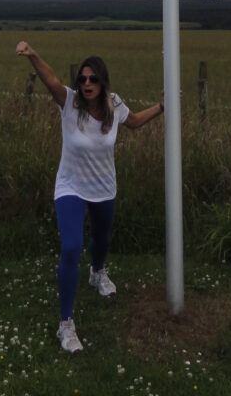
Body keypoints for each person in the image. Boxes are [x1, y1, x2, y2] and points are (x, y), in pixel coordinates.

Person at [15, 40, 164, 354]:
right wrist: (33, 55)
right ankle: (66, 324)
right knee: (71, 247)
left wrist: (161, 107)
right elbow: (51, 80)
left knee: (102, 238)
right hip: (70, 186)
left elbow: (135, 121)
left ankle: (97, 272)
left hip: (103, 186)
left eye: (93, 78)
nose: (86, 83)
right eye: (82, 79)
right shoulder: (69, 102)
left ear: (102, 81)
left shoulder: (114, 104)